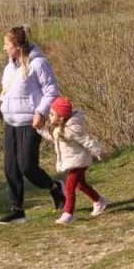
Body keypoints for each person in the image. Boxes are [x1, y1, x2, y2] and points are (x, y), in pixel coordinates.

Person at [0, 25, 66, 224]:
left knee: (27, 166)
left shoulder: (39, 64)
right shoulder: (9, 67)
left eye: (7, 44)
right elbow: (9, 91)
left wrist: (40, 112)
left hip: (30, 121)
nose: (4, 48)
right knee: (10, 168)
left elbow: (51, 91)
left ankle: (55, 187)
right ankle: (17, 210)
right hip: (10, 121)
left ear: (18, 46)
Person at [38, 96, 107, 225]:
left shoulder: (73, 129)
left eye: (52, 114)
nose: (49, 116)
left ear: (61, 118)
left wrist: (99, 151)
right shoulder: (58, 128)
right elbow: (52, 137)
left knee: (70, 186)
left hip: (80, 161)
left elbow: (88, 141)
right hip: (73, 161)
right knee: (80, 185)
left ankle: (68, 214)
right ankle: (99, 200)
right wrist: (39, 129)